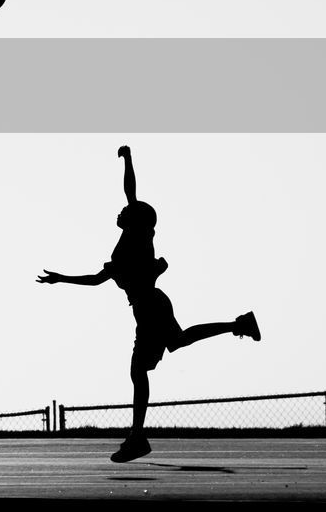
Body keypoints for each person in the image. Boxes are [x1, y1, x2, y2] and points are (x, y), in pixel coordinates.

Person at [37, 145, 261, 463]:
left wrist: (129, 161)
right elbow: (98, 276)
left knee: (138, 369)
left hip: (149, 307)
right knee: (178, 342)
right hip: (152, 304)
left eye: (127, 211)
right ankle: (239, 324)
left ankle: (137, 436)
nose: (120, 211)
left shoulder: (138, 236)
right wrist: (62, 278)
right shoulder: (131, 241)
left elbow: (132, 196)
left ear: (135, 219)